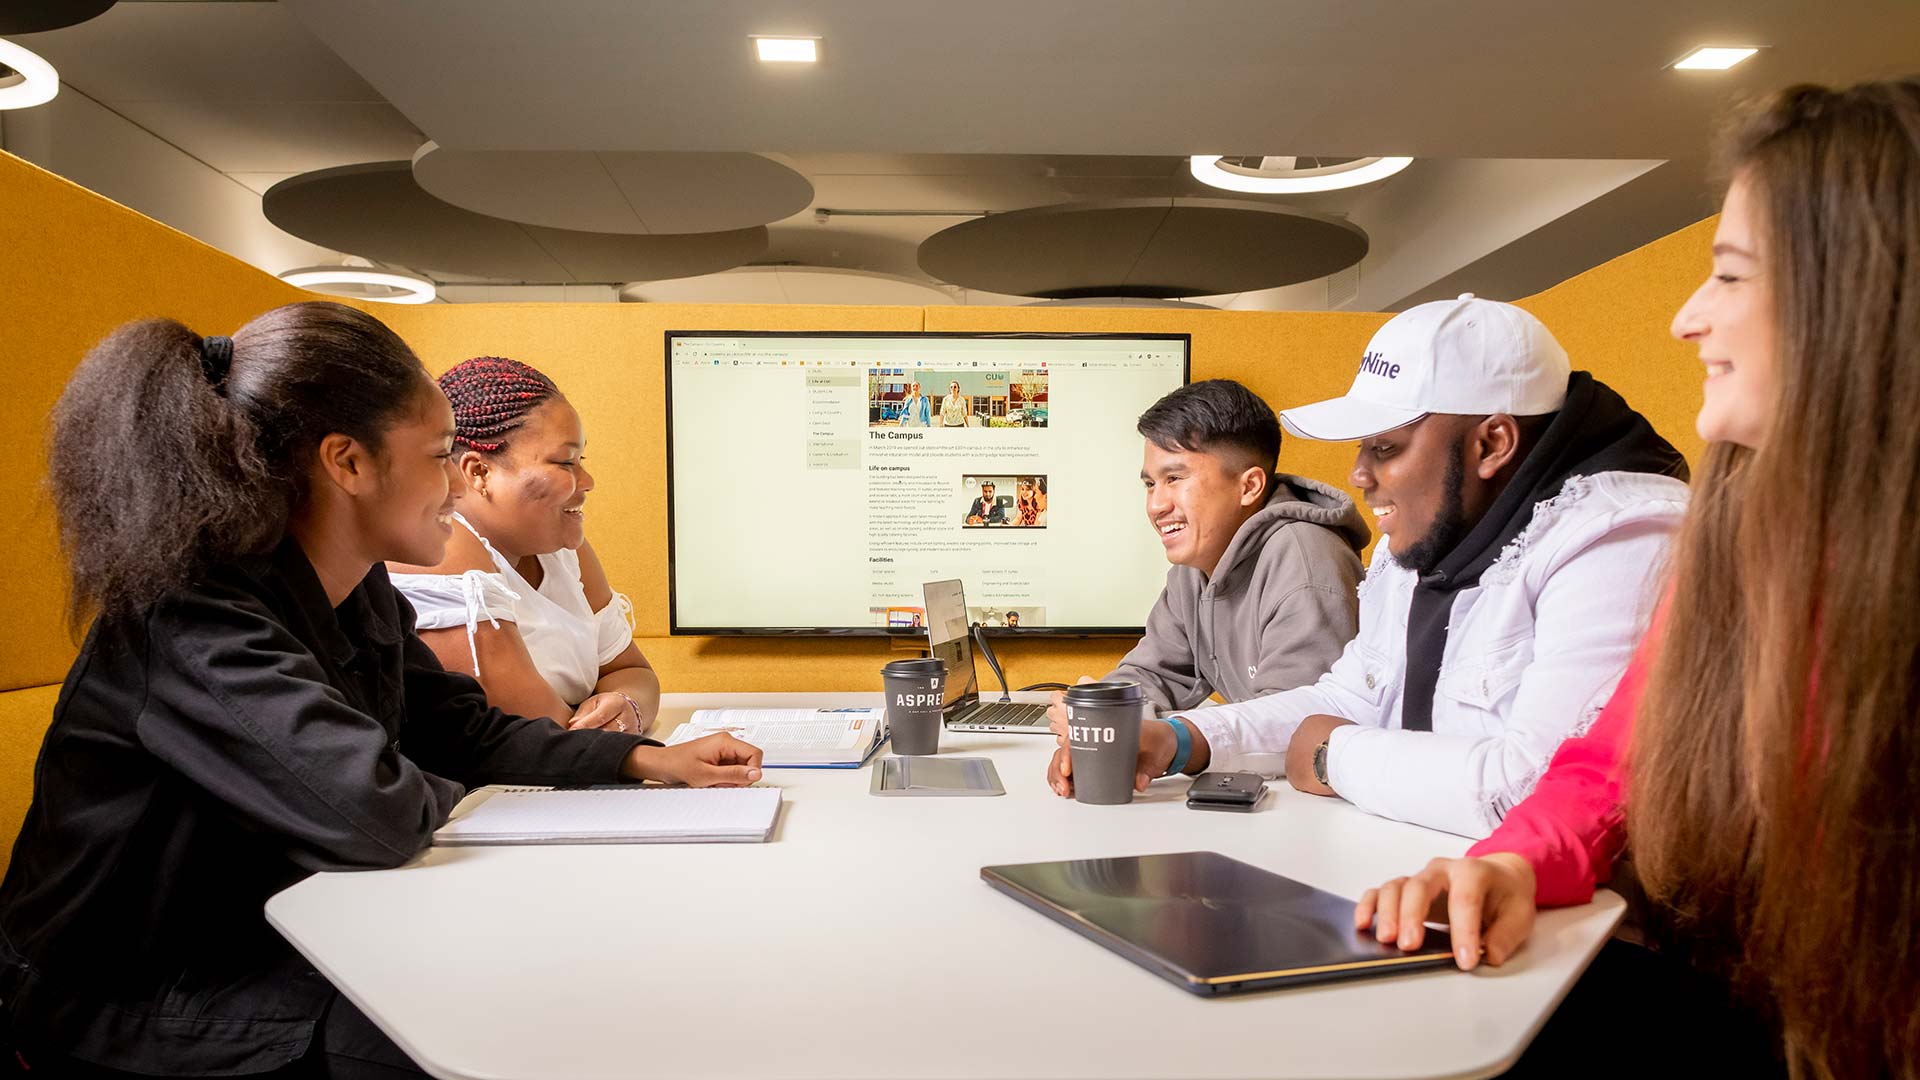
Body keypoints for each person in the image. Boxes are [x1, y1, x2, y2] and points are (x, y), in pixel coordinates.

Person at [0, 303, 763, 1078]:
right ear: (349, 463)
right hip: (134, 997)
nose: (454, 486)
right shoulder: (195, 617)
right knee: (491, 1035)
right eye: (439, 456)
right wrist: (434, 782)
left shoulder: (357, 588)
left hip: (278, 931)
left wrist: (640, 761)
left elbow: (465, 732)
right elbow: (374, 813)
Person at [1356, 78, 1920, 1078]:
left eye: (1734, 277)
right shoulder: (1745, 536)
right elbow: (1613, 765)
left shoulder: (1627, 526)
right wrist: (1516, 862)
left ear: (1861, 299)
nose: (1687, 320)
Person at [1051, 305, 1689, 839]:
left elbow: (1538, 790)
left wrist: (1336, 755)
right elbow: (1347, 697)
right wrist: (1179, 739)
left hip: (1588, 939)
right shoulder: (1416, 541)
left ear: (1492, 443)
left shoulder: (1619, 536)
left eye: (1385, 448)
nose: (1359, 476)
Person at [1042, 379, 1369, 780]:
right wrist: (1102, 721)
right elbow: (1154, 673)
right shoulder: (1196, 565)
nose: (1156, 505)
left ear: (1249, 486)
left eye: (1175, 478)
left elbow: (1301, 726)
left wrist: (1153, 735)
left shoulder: (1306, 562)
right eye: (1150, 483)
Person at [389, 356, 661, 735]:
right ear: (479, 472)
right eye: (566, 462)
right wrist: (608, 733)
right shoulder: (448, 548)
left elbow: (632, 672)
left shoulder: (560, 547)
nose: (587, 481)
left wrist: (625, 706)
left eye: (582, 459)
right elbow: (543, 735)